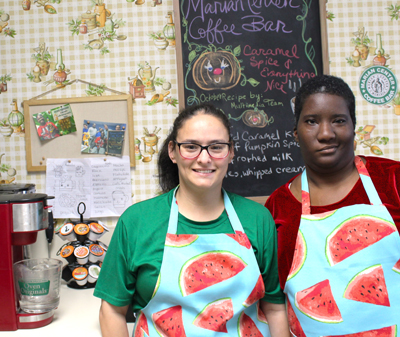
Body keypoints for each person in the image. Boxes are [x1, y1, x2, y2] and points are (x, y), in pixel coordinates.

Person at [94, 103, 290, 337]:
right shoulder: (136, 221)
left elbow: (274, 307)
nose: (204, 158)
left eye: (216, 147)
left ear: (231, 152)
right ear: (173, 151)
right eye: (191, 147)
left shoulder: (258, 218)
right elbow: (112, 310)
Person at [265, 75, 400, 336]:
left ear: (353, 126)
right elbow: (275, 302)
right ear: (296, 133)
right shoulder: (278, 206)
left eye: (338, 120)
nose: (326, 133)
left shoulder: (392, 180)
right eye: (312, 121)